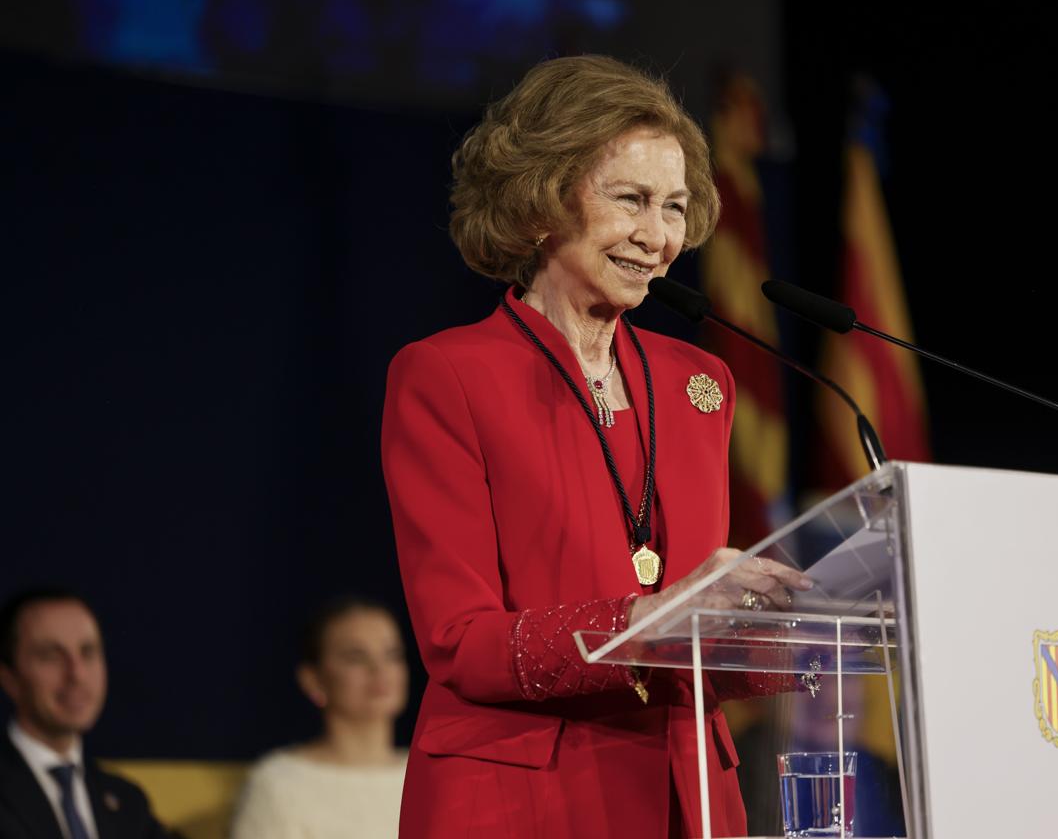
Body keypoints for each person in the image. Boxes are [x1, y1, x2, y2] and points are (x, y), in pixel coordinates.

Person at [381, 55, 811, 838]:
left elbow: (702, 638)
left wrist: (803, 630)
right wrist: (655, 616)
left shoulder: (700, 384)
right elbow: (462, 643)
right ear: (541, 199)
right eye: (632, 200)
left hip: (692, 800)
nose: (660, 236)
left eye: (676, 207)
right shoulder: (446, 375)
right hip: (523, 801)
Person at [230, 596, 409, 839]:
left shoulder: (433, 776)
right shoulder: (280, 785)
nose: (379, 669)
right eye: (355, 657)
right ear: (313, 679)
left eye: (392, 655)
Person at [0, 588, 169, 839]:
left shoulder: (126, 801)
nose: (76, 674)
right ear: (9, 678)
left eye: (88, 652)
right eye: (51, 657)